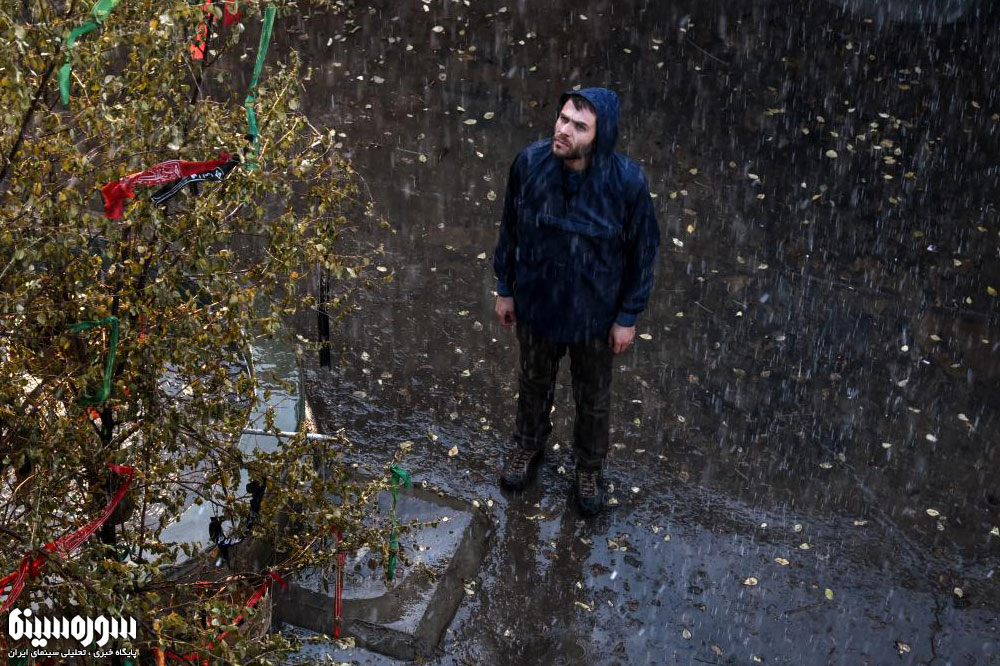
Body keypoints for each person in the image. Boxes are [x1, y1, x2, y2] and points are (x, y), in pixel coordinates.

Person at [492, 87, 661, 515]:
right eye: (563, 119)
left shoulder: (626, 184)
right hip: (537, 305)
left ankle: (588, 468)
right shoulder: (529, 164)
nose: (564, 130)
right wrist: (505, 288)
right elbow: (510, 227)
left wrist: (627, 316)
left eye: (579, 126)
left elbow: (643, 253)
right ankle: (528, 445)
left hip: (595, 318)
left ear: (601, 137)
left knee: (593, 398)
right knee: (533, 383)